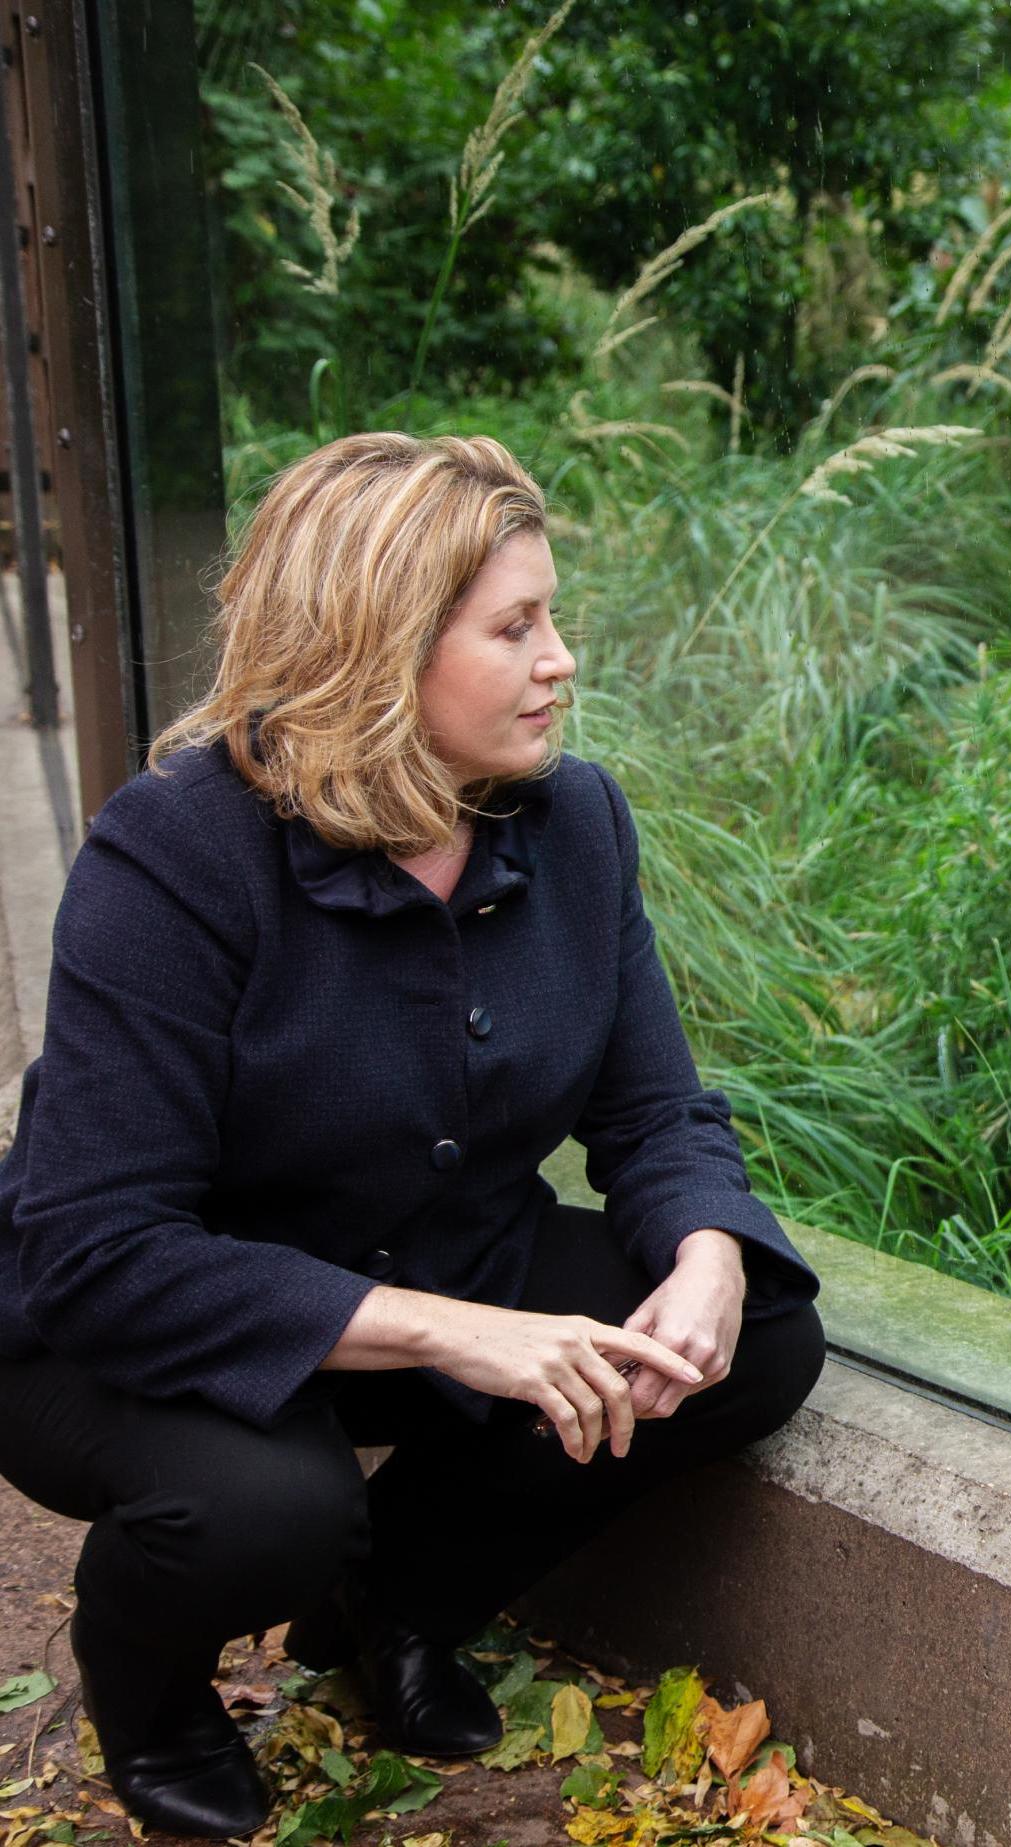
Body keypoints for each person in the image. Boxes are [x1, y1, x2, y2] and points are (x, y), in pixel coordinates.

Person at [0, 433, 827, 1839]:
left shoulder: (575, 823)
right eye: (517, 627)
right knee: (267, 1509)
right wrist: (450, 1332)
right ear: (376, 648)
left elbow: (653, 1109)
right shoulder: (174, 856)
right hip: (135, 1331)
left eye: (551, 615)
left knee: (753, 1343)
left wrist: (703, 1252)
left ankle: (395, 1609)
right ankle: (145, 1687)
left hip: (441, 1267)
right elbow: (97, 1247)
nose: (561, 658)